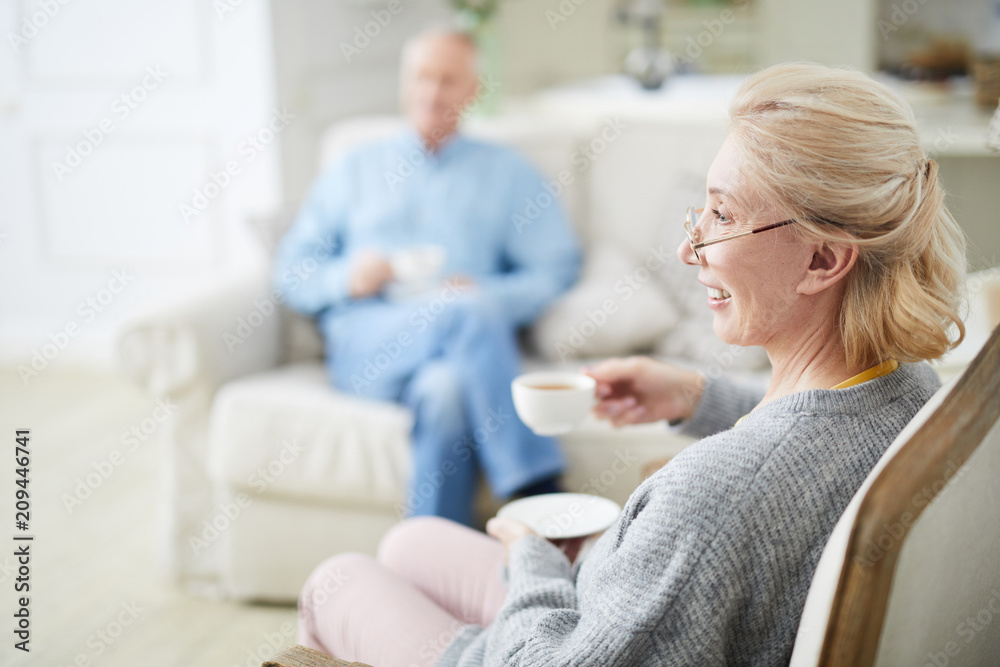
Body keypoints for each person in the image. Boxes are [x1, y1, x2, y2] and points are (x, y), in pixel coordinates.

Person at [295, 62, 967, 666]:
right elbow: (801, 440)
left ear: (823, 259)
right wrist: (697, 395)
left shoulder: (709, 496)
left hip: (540, 647)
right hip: (607, 605)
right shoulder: (910, 389)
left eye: (723, 214)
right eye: (700, 207)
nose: (688, 248)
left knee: (337, 579)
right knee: (411, 544)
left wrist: (531, 560)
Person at [272, 28, 581, 527]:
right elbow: (292, 271)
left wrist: (487, 295)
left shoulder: (507, 173)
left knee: (446, 392)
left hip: (463, 352)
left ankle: (432, 565)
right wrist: (349, 277)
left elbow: (555, 269)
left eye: (447, 79)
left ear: (473, 92)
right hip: (368, 341)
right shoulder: (354, 167)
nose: (431, 92)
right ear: (403, 84)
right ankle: (537, 492)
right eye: (421, 77)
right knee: (463, 313)